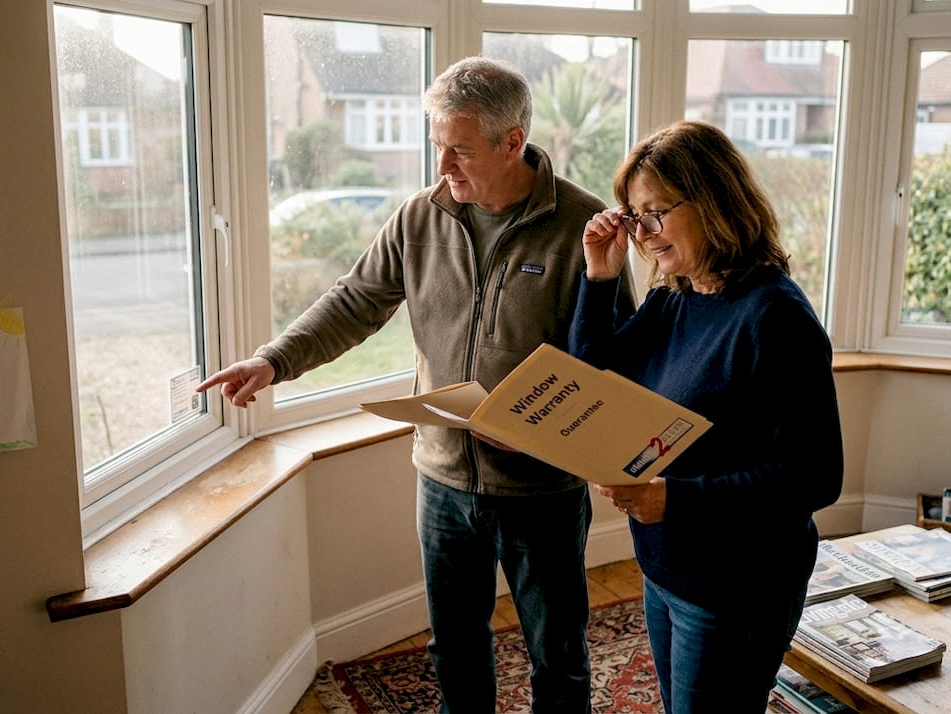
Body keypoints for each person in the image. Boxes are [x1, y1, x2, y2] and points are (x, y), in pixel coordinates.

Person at [197, 56, 635, 713]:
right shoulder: (418, 219)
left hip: (540, 489)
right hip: (443, 481)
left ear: (511, 141)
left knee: (559, 655)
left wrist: (538, 433)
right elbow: (353, 303)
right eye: (437, 146)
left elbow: (608, 364)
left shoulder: (583, 225)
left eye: (458, 150)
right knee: (454, 646)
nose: (442, 167)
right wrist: (273, 361)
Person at [570, 120, 844, 713]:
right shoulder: (679, 295)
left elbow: (816, 478)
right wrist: (600, 274)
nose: (643, 233)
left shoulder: (775, 319)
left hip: (737, 586)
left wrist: (675, 498)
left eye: (654, 214)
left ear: (713, 199)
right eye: (634, 216)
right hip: (668, 565)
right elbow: (593, 377)